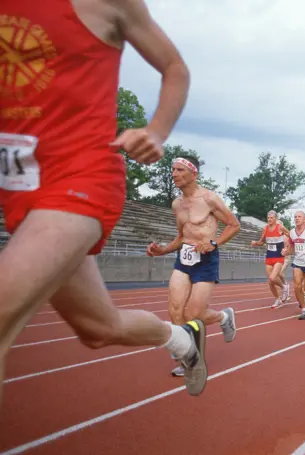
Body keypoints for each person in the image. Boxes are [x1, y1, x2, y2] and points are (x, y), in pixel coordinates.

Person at [0, 0, 211, 402]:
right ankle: (182, 340)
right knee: (98, 328)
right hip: (18, 185)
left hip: (80, 177)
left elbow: (175, 68)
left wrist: (156, 131)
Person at [146, 156, 240, 377]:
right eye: (173, 170)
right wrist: (163, 250)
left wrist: (213, 242)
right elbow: (181, 236)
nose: (174, 174)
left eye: (180, 170)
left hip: (206, 259)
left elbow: (234, 225)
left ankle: (224, 317)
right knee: (175, 311)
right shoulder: (177, 204)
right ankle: (190, 358)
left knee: (194, 313)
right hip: (184, 258)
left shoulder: (209, 199)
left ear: (193, 174)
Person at [250, 210, 291, 308]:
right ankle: (277, 299)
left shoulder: (280, 227)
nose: (269, 219)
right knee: (270, 281)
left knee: (273, 278)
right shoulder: (265, 229)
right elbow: (262, 242)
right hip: (269, 257)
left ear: (275, 219)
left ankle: (284, 287)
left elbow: (292, 237)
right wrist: (255, 243)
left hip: (278, 257)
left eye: (271, 218)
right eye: (268, 218)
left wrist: (287, 248)